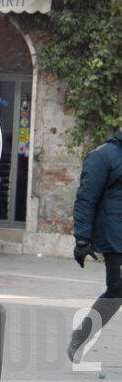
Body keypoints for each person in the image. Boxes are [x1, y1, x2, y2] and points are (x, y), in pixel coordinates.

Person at [68, 128, 122, 362]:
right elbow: (86, 199)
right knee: (117, 291)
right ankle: (81, 336)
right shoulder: (103, 156)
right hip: (116, 236)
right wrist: (82, 239)